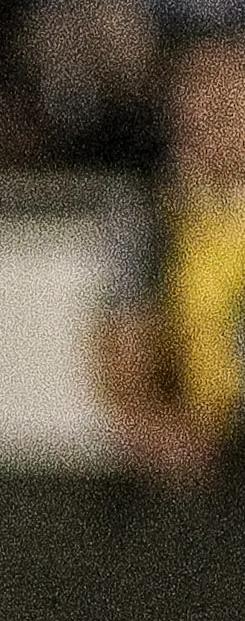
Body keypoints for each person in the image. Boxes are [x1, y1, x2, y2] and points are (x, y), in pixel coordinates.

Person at [97, 26, 245, 485]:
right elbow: (123, 343)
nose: (209, 122)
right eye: (197, 107)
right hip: (213, 460)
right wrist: (159, 433)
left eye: (227, 105)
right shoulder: (151, 216)